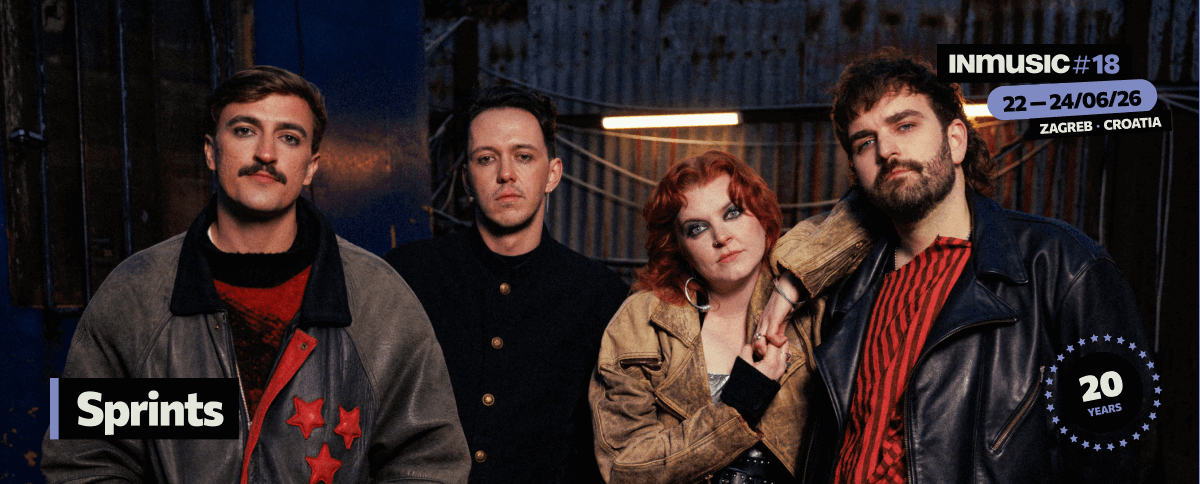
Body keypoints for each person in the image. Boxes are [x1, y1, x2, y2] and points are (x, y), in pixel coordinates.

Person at [41, 66, 470, 483]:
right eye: (245, 130)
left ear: (311, 166)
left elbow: (429, 464)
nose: (266, 153)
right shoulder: (134, 294)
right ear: (211, 151)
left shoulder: (380, 301)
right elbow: (82, 462)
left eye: (289, 137)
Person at [783, 49, 1156, 483]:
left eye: (905, 125)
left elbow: (1120, 451)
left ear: (956, 140)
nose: (886, 150)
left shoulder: (1062, 267)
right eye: (864, 142)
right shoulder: (848, 293)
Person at [383, 85, 630, 483]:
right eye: (486, 158)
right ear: (467, 178)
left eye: (524, 156)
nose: (506, 174)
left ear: (552, 174)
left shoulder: (601, 296)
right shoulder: (407, 275)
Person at [589, 151, 873, 484]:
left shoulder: (809, 295)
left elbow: (873, 203)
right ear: (679, 247)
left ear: (761, 215)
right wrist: (741, 401)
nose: (721, 237)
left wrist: (789, 288)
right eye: (697, 228)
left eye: (732, 212)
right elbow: (625, 468)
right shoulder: (644, 319)